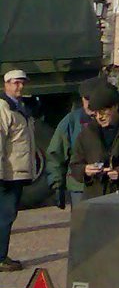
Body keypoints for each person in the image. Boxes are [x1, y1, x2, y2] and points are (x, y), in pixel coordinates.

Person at [0, 70, 37, 272]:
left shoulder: (19, 107)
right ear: (6, 84)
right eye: (15, 83)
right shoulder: (3, 109)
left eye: (22, 83)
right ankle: (0, 257)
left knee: (7, 215)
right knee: (5, 216)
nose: (20, 87)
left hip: (16, 172)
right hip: (8, 174)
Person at [45, 78, 99, 208]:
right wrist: (57, 185)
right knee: (81, 225)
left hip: (106, 185)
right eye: (87, 99)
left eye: (93, 99)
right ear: (82, 99)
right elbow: (55, 153)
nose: (90, 103)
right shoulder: (71, 121)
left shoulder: (110, 119)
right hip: (79, 186)